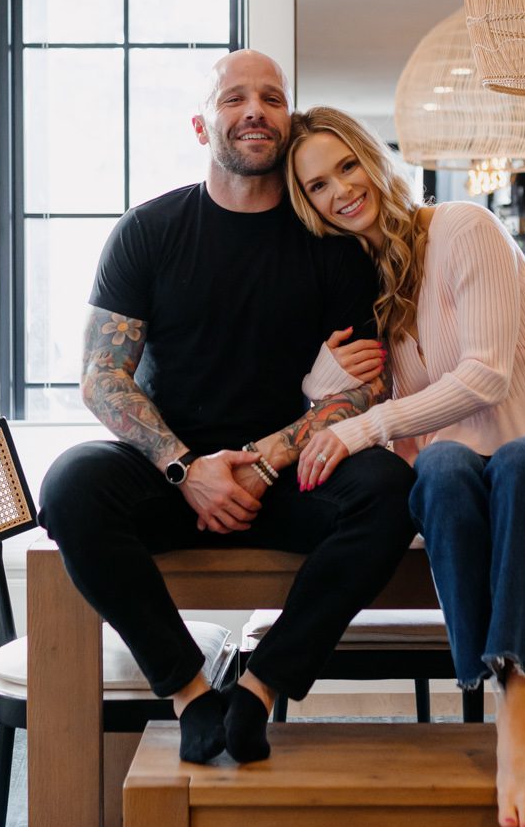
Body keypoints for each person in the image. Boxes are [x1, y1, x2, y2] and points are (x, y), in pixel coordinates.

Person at [38, 52, 415, 766]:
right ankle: (190, 695)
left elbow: (363, 389)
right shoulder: (148, 232)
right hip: (170, 474)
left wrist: (260, 465)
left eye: (271, 99)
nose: (254, 110)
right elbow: (100, 376)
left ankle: (261, 688)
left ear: (287, 120)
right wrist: (188, 470)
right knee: (70, 486)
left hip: (285, 473)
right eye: (234, 97)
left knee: (391, 491)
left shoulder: (330, 249)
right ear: (200, 124)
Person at [285, 106, 525, 827]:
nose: (340, 190)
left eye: (346, 165)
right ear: (307, 207)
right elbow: (363, 403)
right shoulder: (368, 287)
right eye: (316, 186)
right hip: (471, 484)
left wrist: (364, 428)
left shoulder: (462, 228)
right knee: (437, 464)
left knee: (521, 460)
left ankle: (510, 718)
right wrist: (322, 383)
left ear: (373, 157)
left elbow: (485, 379)